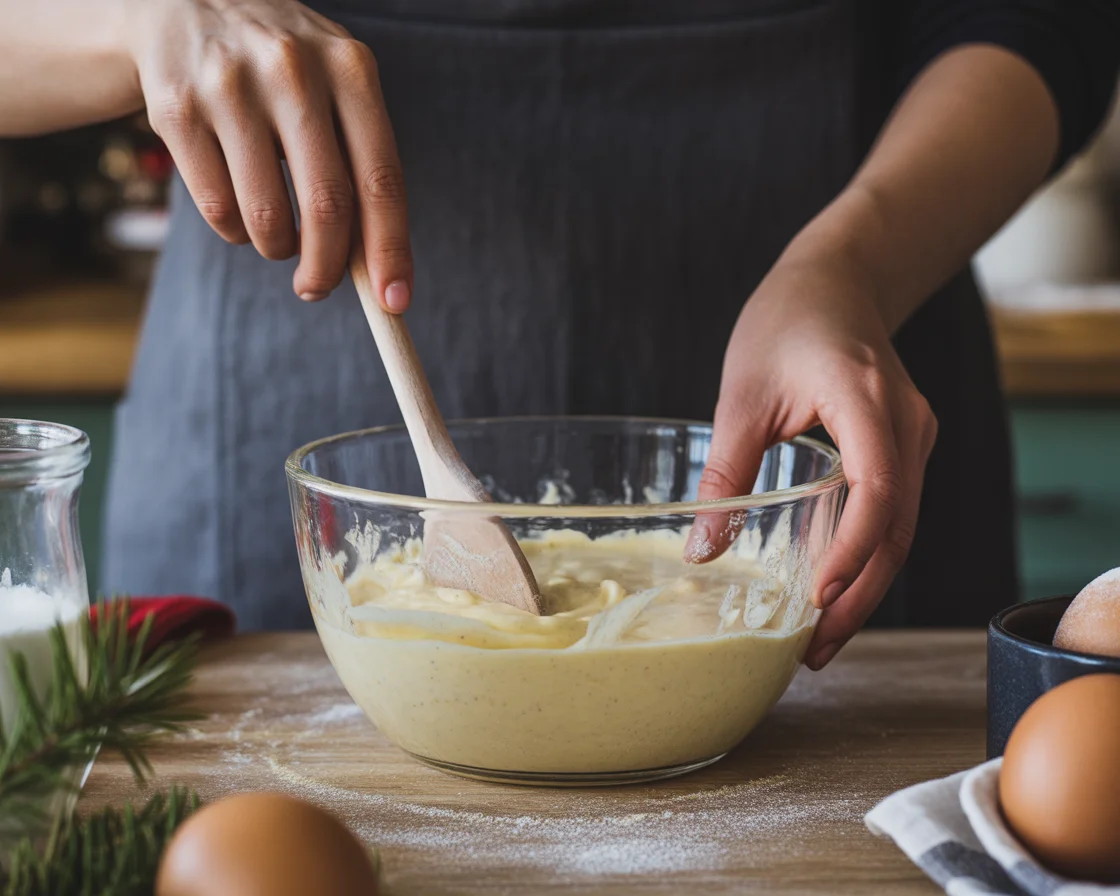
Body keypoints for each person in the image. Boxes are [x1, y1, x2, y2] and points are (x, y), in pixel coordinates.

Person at [2, 1, 1117, 668]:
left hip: (850, 306)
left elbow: (1041, 18)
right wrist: (135, 19)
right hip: (270, 380)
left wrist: (854, 264)